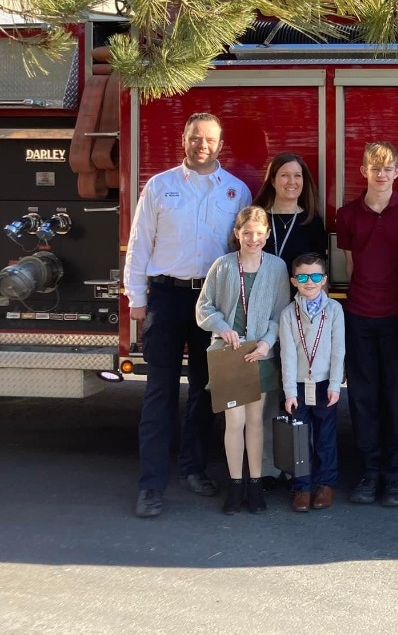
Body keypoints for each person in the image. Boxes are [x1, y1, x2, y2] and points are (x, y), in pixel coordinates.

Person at [126, 112, 252, 518]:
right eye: (196, 137)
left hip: (212, 303)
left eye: (210, 139)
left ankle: (194, 469)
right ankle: (151, 484)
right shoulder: (160, 186)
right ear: (184, 139)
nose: (203, 144)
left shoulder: (237, 192)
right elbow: (139, 243)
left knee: (205, 389)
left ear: (221, 143)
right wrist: (137, 300)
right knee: (159, 392)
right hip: (166, 296)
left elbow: (244, 252)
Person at [335, 141, 398, 506]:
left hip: (396, 317)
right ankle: (370, 474)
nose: (382, 174)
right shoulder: (347, 214)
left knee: (396, 399)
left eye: (388, 168)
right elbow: (351, 265)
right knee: (362, 398)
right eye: (375, 167)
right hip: (359, 317)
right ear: (364, 171)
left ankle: (395, 478)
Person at [196, 206, 291, 514]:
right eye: (246, 232)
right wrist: (222, 328)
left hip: (259, 355)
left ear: (267, 235)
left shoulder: (276, 268)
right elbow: (204, 307)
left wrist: (266, 343)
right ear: (237, 233)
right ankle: (235, 485)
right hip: (230, 355)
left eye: (259, 233)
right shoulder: (223, 266)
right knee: (234, 422)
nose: (253, 239)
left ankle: (255, 483)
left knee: (255, 421)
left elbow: (280, 312)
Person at [253, 152, 329, 489]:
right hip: (263, 313)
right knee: (268, 392)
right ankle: (269, 466)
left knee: (300, 390)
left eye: (297, 176)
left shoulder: (313, 222)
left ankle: (300, 465)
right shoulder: (256, 219)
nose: (291, 182)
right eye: (284, 175)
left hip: (300, 317)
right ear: (272, 179)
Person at [279, 252, 347, 513]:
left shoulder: (334, 310)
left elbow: (338, 350)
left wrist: (334, 384)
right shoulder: (288, 314)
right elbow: (287, 354)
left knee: (325, 436)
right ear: (294, 281)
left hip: (323, 384)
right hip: (297, 385)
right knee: (299, 437)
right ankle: (302, 487)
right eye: (303, 276)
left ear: (325, 279)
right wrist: (288, 392)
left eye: (316, 276)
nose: (310, 281)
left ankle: (326, 484)